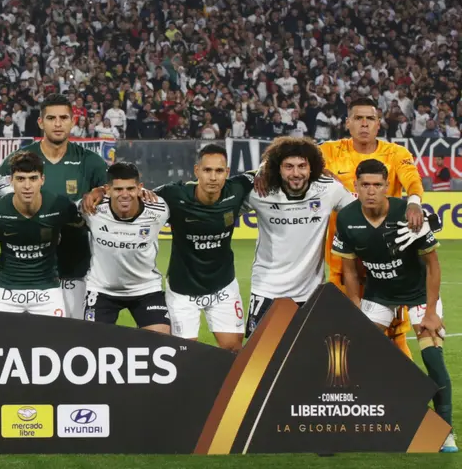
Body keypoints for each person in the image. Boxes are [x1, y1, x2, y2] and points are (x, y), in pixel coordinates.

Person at [332, 159, 455, 453]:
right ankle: (381, 418)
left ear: (387, 186)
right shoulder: (346, 218)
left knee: (433, 358)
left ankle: (444, 431)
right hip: (378, 294)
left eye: (377, 185)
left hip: (418, 295)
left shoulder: (408, 214)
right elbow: (348, 269)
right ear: (356, 186)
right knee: (358, 357)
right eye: (365, 185)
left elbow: (433, 266)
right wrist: (354, 306)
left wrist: (431, 312)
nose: (371, 191)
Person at [88, 144, 251, 350]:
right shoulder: (174, 195)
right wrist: (100, 190)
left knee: (234, 348)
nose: (213, 177)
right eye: (207, 170)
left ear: (227, 172)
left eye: (219, 171)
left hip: (223, 286)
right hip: (183, 290)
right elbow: (131, 192)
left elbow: (266, 170)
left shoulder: (238, 188)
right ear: (196, 171)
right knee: (181, 353)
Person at [316, 98, 429, 359]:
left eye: (370, 119)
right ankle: (354, 394)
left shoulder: (396, 154)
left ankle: (409, 396)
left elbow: (413, 180)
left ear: (379, 124)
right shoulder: (328, 152)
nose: (364, 124)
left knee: (394, 334)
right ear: (348, 123)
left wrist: (414, 202)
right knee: (344, 331)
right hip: (342, 263)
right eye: (358, 118)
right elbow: (292, 159)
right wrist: (265, 170)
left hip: (387, 265)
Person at [0, 94, 108, 319]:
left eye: (63, 118)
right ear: (41, 122)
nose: (57, 124)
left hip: (74, 267)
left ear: (73, 121)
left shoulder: (91, 161)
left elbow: (117, 196)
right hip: (26, 274)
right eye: (51, 118)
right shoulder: (21, 159)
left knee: (70, 339)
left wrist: (102, 190)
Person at [245, 137, 352, 337]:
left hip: (312, 295)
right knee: (259, 361)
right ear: (278, 168)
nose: (296, 173)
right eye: (289, 166)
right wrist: (261, 169)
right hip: (267, 291)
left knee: (310, 359)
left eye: (302, 166)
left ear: (312, 168)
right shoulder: (260, 190)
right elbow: (222, 206)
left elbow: (360, 212)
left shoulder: (329, 189)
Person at [0, 150, 81, 316]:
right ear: (11, 181)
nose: (27, 186)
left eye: (33, 178)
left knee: (56, 341)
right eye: (21, 179)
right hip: (6, 291)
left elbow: (82, 222)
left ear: (42, 180)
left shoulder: (60, 206)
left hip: (47, 292)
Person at [82, 162, 171, 333]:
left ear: (140, 188)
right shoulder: (91, 209)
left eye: (130, 189)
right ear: (107, 190)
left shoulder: (159, 210)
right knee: (93, 346)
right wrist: (94, 191)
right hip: (102, 290)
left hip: (146, 288)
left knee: (161, 342)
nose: (125, 195)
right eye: (118, 189)